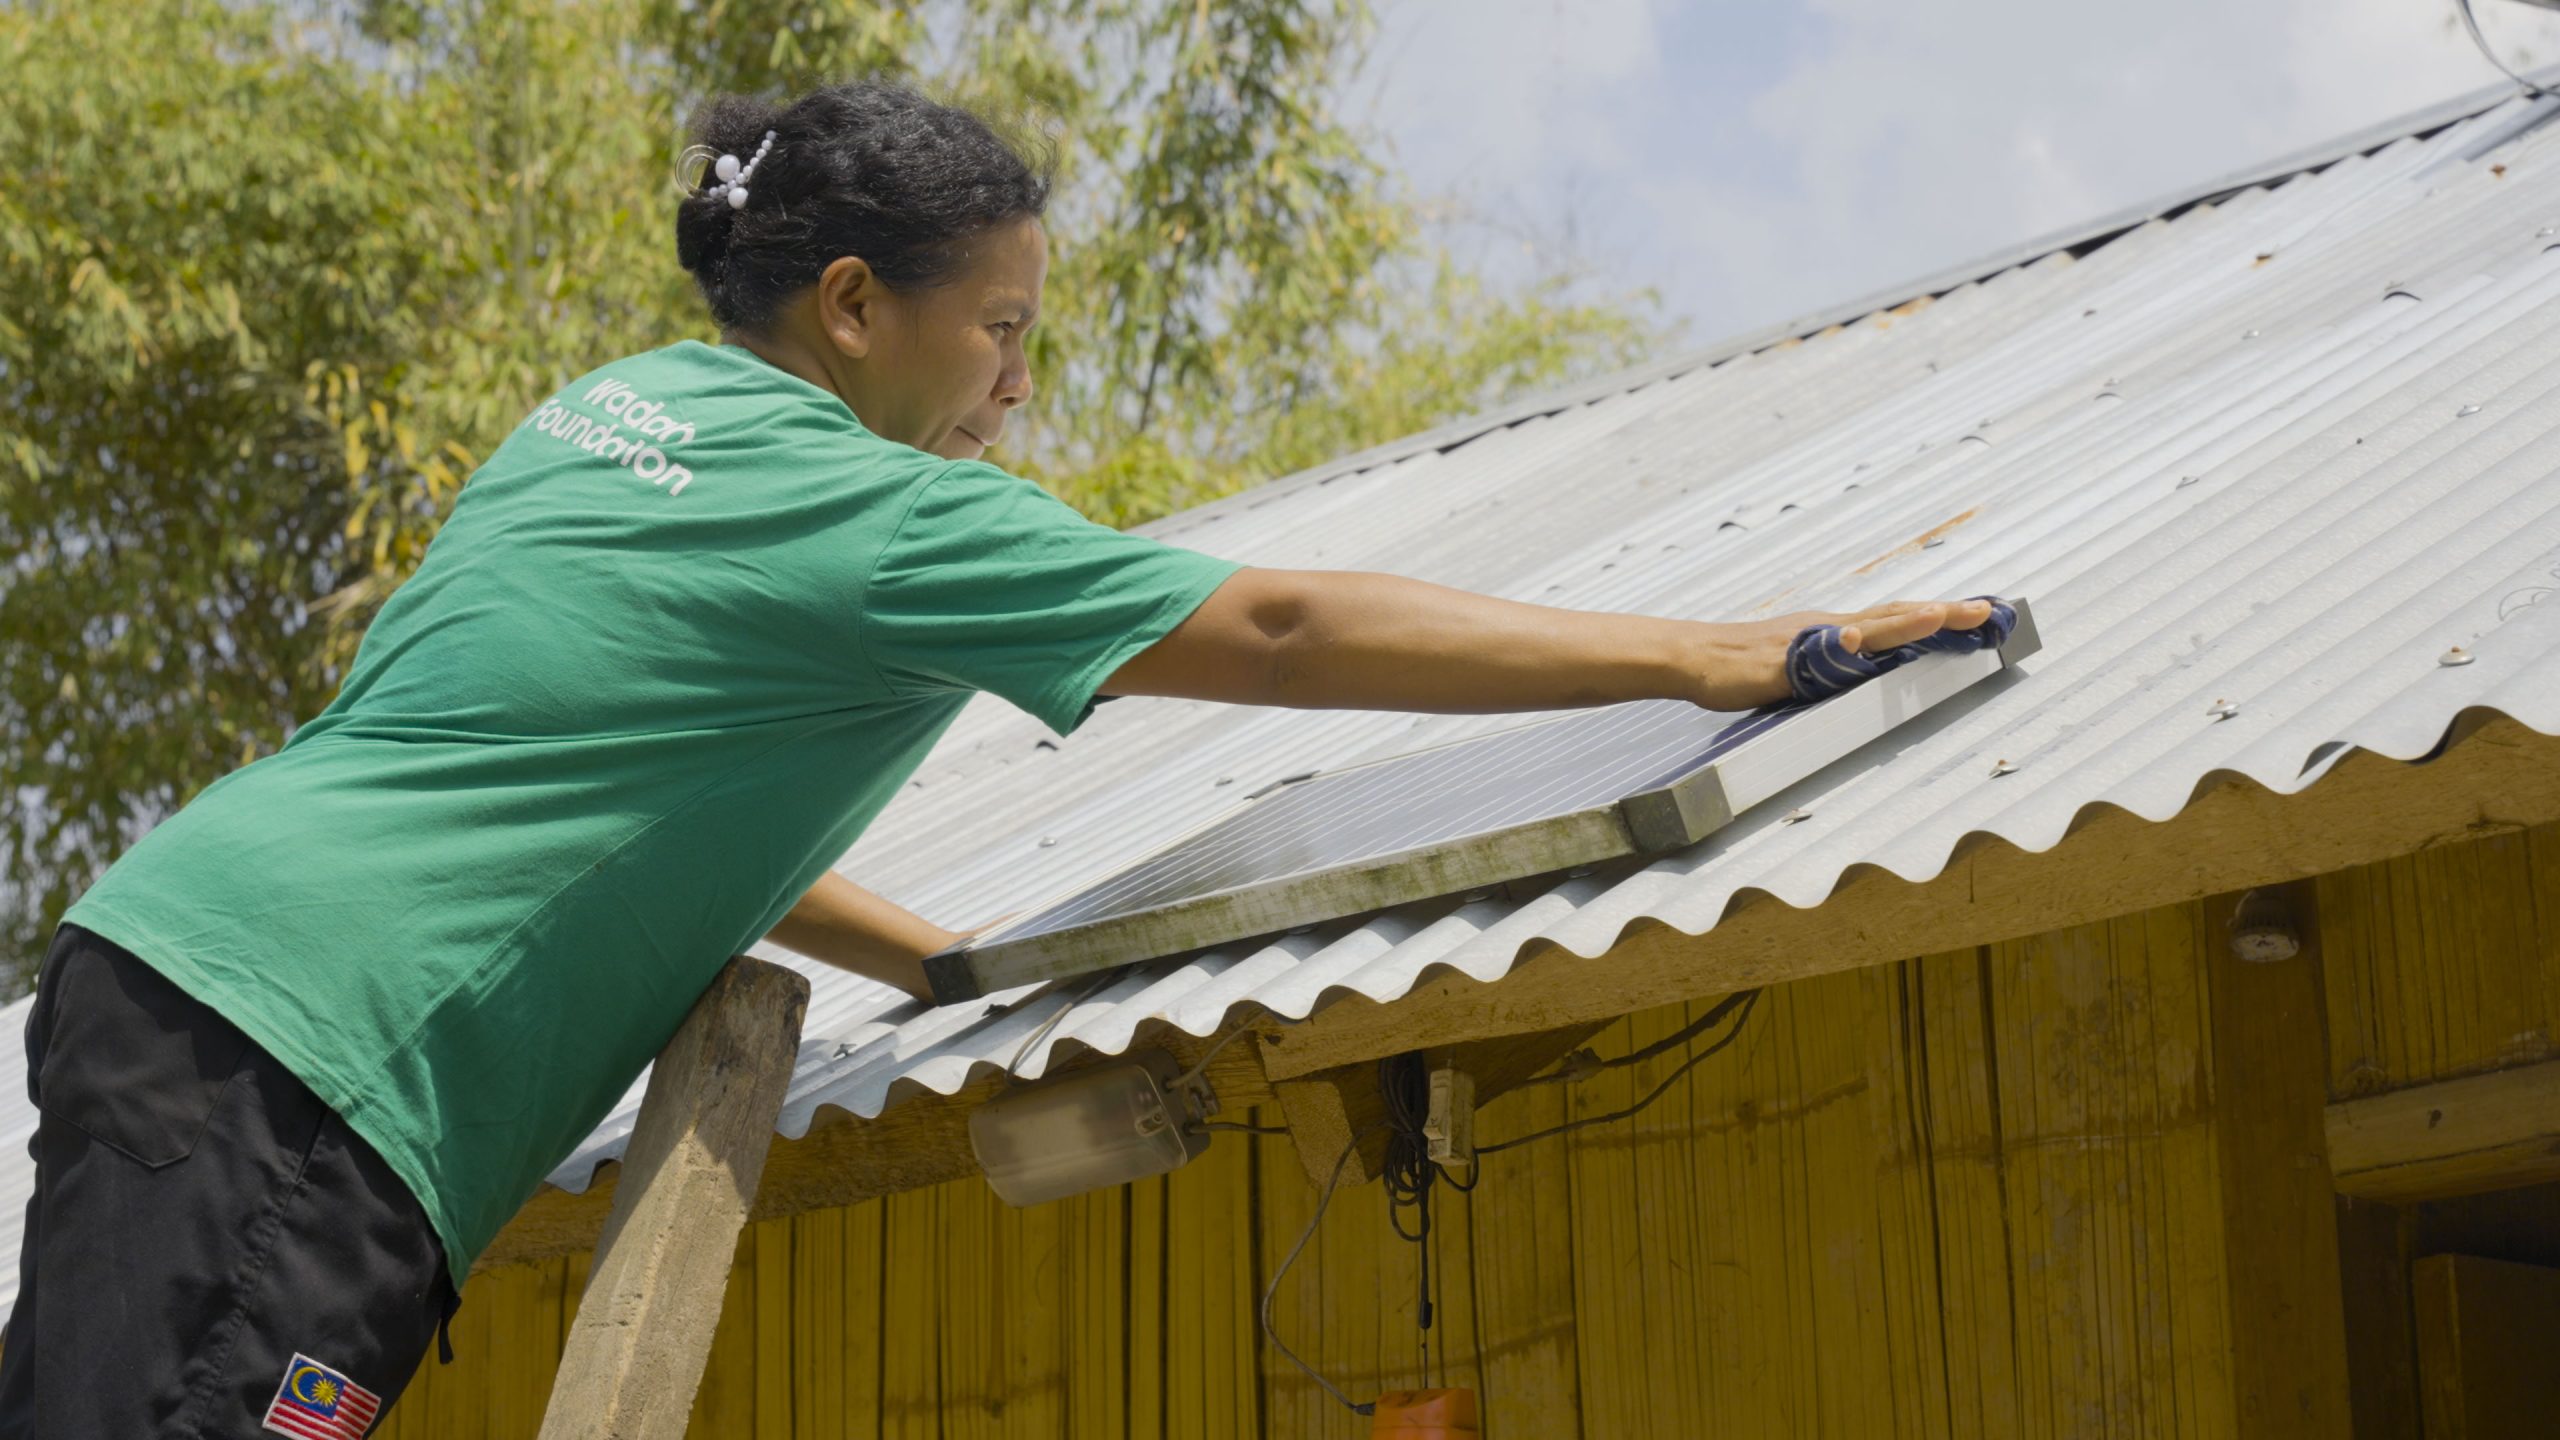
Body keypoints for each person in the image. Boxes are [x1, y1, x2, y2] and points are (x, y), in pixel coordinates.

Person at [0, 77, 2001, 1436]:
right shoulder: (876, 519)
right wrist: (1754, 643)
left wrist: (928, 966)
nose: (1023, 383)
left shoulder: (606, 418)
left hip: (176, 966)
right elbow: (1282, 628)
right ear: (857, 304)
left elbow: (625, 796)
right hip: (332, 1066)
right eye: (1001, 328)